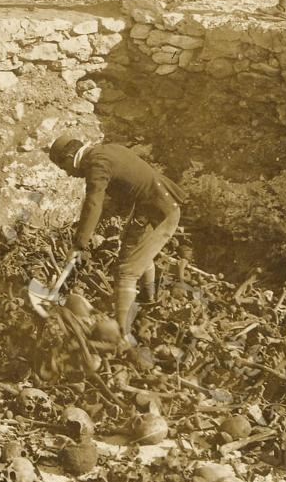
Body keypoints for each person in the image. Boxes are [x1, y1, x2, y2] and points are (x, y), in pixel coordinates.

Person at [48, 136, 187, 346]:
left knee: (126, 272)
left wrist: (79, 244)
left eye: (63, 166)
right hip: (157, 206)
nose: (67, 172)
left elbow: (93, 203)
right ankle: (148, 301)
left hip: (159, 212)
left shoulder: (97, 164)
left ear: (70, 157)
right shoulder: (107, 150)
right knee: (134, 255)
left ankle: (121, 335)